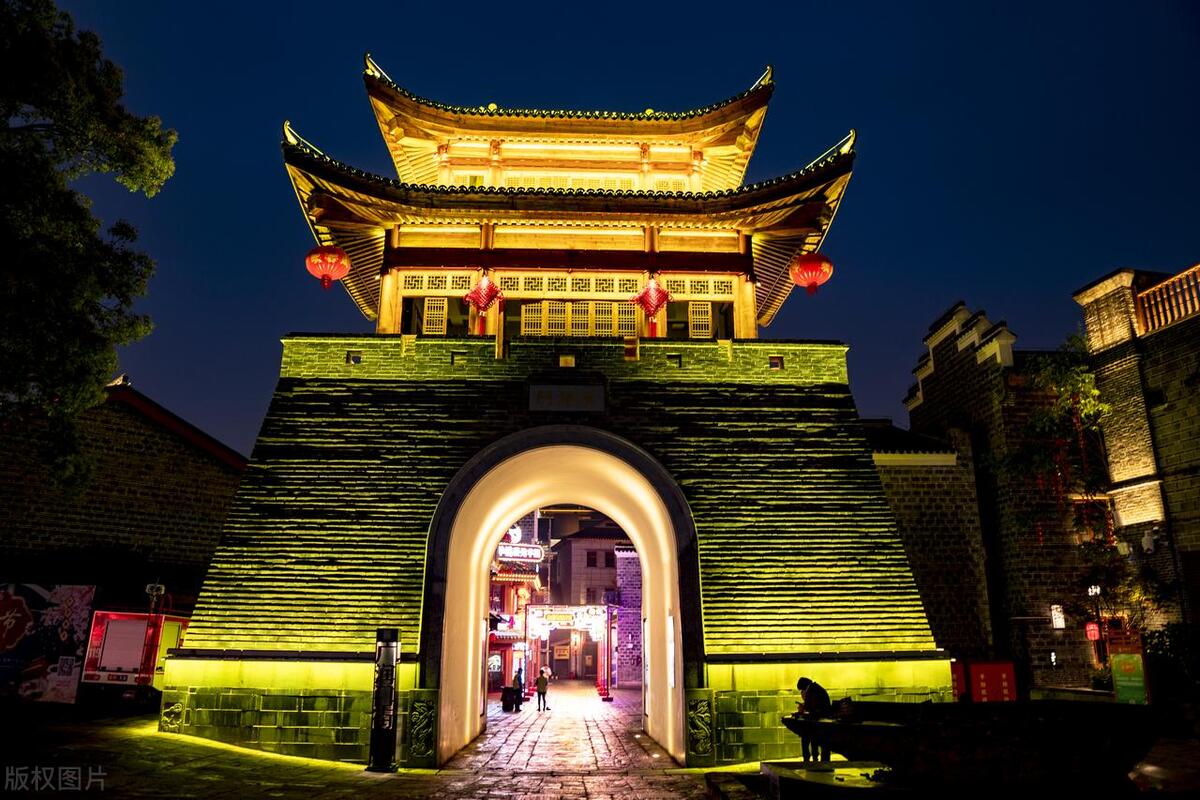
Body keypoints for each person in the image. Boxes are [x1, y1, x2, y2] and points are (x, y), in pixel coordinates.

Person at [796, 676, 832, 762]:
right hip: (823, 719)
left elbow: (811, 706)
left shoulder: (812, 690)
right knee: (816, 740)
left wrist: (803, 707)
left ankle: (808, 758)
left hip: (820, 720)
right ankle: (817, 758)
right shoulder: (815, 687)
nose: (803, 692)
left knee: (807, 736)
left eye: (803, 690)